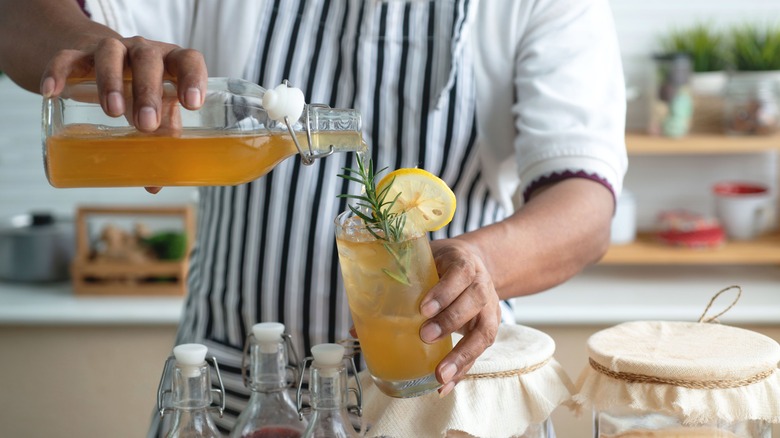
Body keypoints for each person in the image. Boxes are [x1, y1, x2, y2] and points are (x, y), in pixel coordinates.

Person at [0, 0, 627, 434]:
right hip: (233, 394)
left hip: (447, 404)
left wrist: (482, 261)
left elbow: (584, 202)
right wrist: (87, 46)